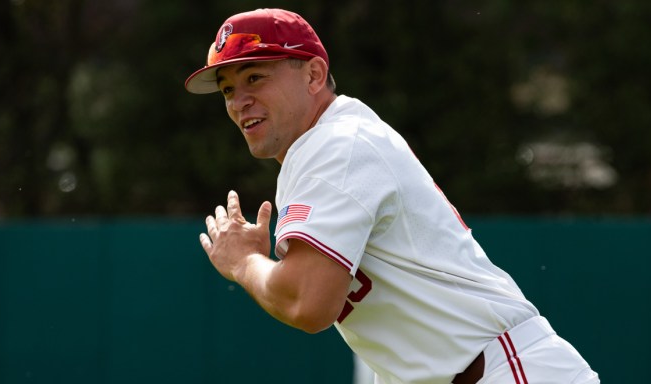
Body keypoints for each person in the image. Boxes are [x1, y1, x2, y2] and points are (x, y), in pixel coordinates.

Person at [186, 8, 599, 384]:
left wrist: (244, 263)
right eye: (227, 89)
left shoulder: (336, 146)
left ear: (313, 75)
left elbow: (307, 303)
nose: (240, 101)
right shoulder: (330, 142)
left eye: (255, 77)